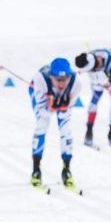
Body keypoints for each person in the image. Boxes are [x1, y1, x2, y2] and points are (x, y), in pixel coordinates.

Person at [29, 57, 78, 190]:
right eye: (57, 80)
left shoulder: (75, 81)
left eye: (65, 79)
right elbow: (43, 112)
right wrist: (51, 105)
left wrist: (61, 105)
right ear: (51, 77)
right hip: (40, 94)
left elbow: (68, 107)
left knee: (66, 130)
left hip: (56, 100)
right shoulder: (40, 79)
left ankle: (67, 169)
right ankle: (36, 170)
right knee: (42, 125)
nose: (62, 84)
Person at [76, 48, 111, 148]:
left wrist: (109, 81)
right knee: (94, 102)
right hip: (101, 80)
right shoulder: (89, 60)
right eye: (91, 71)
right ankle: (89, 132)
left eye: (95, 69)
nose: (93, 71)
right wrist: (101, 80)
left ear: (98, 59)